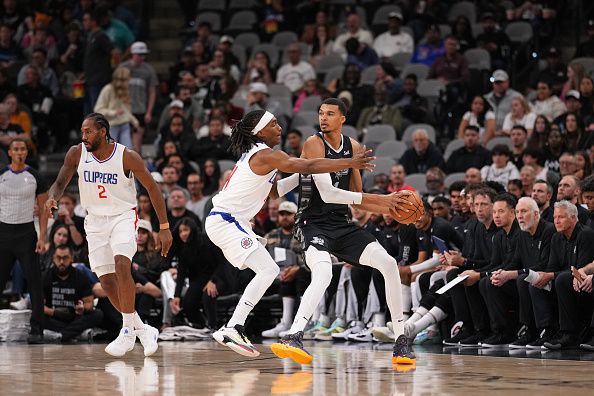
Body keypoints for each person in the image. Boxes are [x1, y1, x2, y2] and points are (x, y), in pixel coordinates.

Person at [205, 108, 375, 357]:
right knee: (269, 270)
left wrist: (300, 174)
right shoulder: (266, 155)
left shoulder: (259, 156)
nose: (280, 128)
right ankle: (232, 327)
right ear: (260, 131)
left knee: (267, 270)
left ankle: (234, 326)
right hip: (226, 221)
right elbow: (309, 164)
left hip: (228, 222)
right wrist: (348, 162)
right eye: (274, 124)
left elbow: (274, 193)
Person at [269, 99, 416, 366]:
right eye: (321, 113)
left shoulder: (354, 148)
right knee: (324, 272)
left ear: (343, 119)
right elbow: (329, 192)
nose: (323, 118)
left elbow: (356, 196)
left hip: (341, 223)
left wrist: (389, 204)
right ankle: (293, 335)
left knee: (389, 263)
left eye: (330, 114)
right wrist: (382, 200)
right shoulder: (313, 143)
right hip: (312, 222)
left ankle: (400, 340)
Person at [43, 113, 173, 358]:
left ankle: (126, 330)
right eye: (82, 132)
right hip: (94, 221)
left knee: (122, 265)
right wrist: (53, 197)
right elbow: (60, 182)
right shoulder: (77, 153)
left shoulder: (126, 156)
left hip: (123, 216)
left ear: (103, 131)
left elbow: (153, 188)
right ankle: (142, 329)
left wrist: (164, 226)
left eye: (88, 131)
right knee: (106, 281)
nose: (84, 137)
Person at [0, 139, 48, 344]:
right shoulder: (2, 175)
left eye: (23, 149)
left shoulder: (36, 176)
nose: (19, 152)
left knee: (34, 282)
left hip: (26, 233)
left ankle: (37, 330)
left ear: (27, 153)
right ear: (10, 152)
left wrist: (43, 236)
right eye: (16, 149)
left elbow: (44, 209)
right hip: (3, 232)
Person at [42, 244, 103, 342]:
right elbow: (39, 305)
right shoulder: (46, 277)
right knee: (38, 317)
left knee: (97, 314)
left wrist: (83, 308)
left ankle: (62, 335)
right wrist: (53, 312)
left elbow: (89, 303)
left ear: (72, 259)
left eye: (65, 258)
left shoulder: (80, 276)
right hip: (54, 316)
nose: (61, 262)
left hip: (75, 316)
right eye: (58, 258)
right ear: (53, 259)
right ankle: (74, 334)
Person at [120, 42, 158, 153]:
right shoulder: (123, 68)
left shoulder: (148, 70)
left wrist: (149, 112)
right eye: (139, 54)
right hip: (124, 109)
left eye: (143, 55)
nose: (142, 57)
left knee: (137, 141)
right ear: (133, 54)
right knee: (123, 141)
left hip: (140, 109)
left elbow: (152, 92)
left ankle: (136, 165)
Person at [94, 67, 139, 149]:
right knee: (110, 152)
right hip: (111, 126)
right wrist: (114, 112)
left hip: (124, 125)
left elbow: (125, 110)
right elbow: (98, 109)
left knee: (127, 150)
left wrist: (134, 120)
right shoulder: (108, 89)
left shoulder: (125, 90)